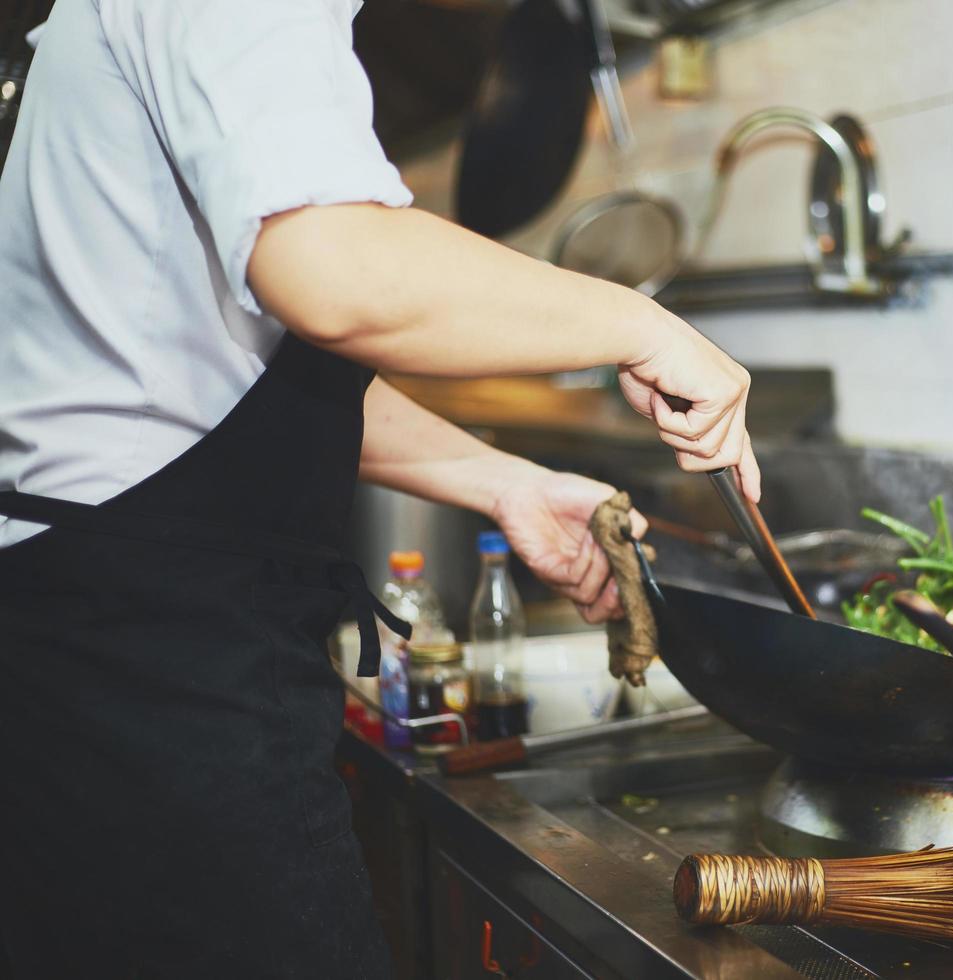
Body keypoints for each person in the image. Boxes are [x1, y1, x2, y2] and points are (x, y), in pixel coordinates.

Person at [0, 1, 760, 976]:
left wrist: (504, 481)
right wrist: (645, 325)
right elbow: (334, 271)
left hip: (100, 637)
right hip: (153, 665)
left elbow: (215, 376)